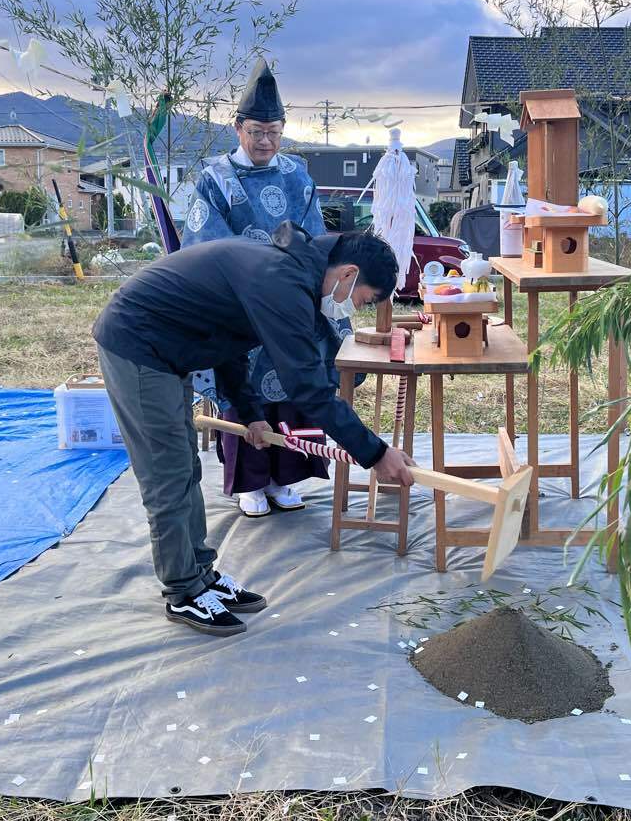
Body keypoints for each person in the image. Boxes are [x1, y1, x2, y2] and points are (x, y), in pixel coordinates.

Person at [92, 222, 415, 637]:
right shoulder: (280, 281)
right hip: (138, 345)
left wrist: (250, 414)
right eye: (364, 299)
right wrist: (375, 453)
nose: (353, 307)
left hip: (169, 349)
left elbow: (230, 344)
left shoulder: (286, 274)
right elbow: (309, 390)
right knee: (167, 473)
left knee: (184, 467)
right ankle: (182, 591)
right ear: (348, 274)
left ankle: (200, 574)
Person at [181, 58, 345, 519]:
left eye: (274, 131)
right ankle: (249, 482)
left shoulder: (297, 175)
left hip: (288, 298)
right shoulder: (215, 178)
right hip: (239, 300)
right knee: (243, 387)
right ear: (238, 128)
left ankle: (285, 476)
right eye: (257, 131)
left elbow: (311, 236)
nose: (266, 141)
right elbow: (206, 242)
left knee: (296, 379)